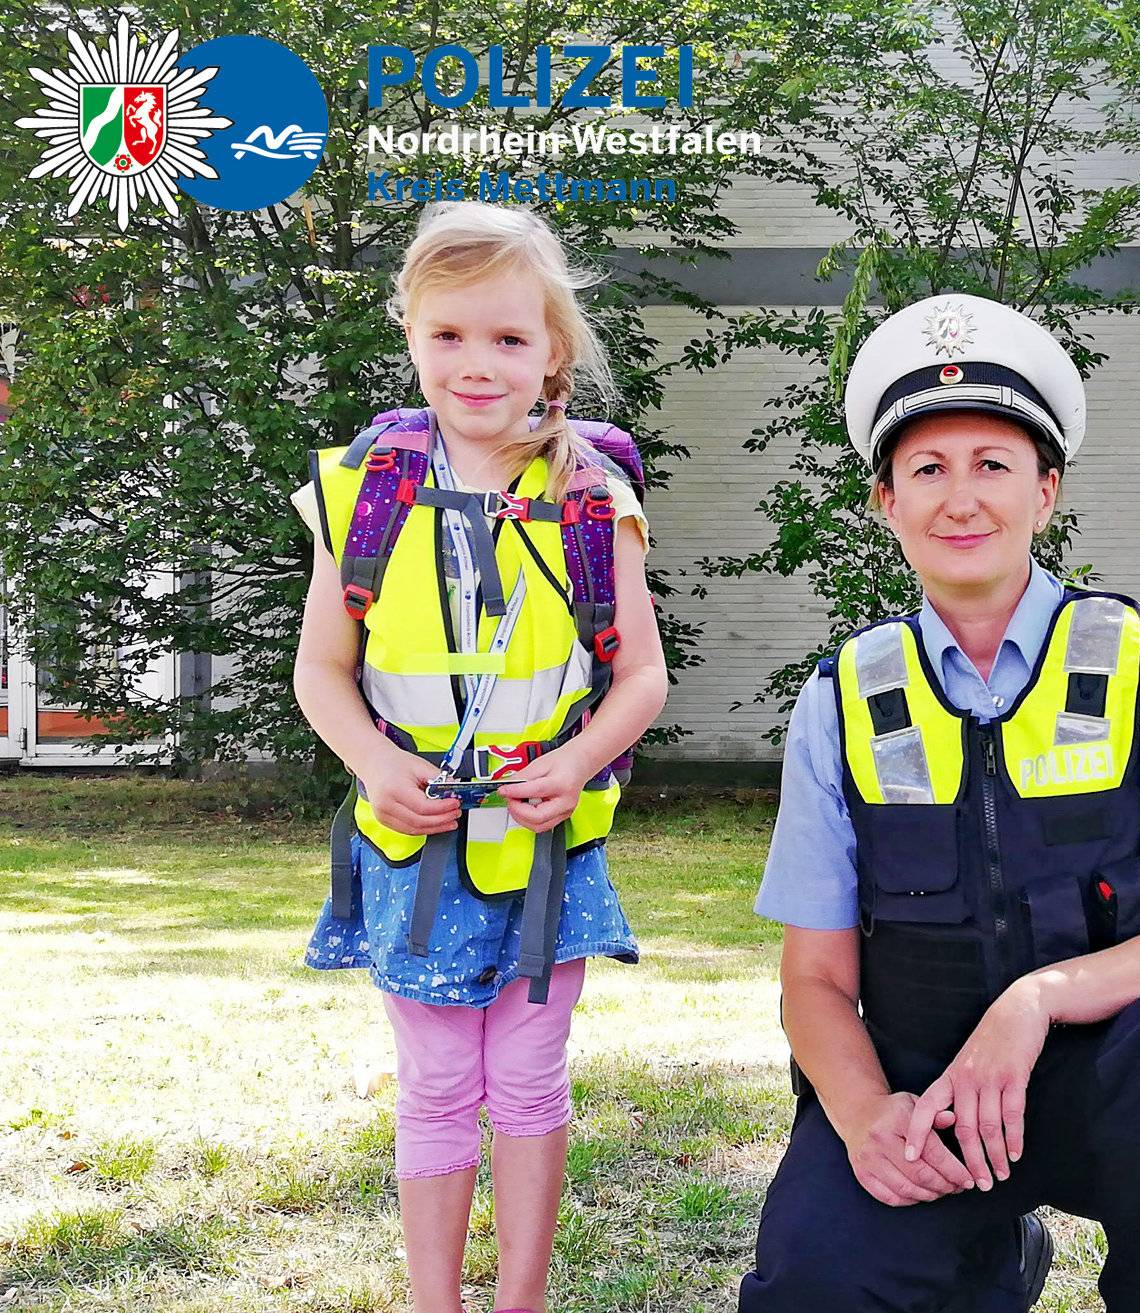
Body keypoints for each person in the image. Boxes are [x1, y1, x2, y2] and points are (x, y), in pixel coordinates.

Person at [739, 293, 1140, 1313]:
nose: (961, 498)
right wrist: (866, 1115)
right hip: (923, 1096)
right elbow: (814, 981)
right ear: (885, 501)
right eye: (926, 469)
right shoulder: (840, 699)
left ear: (1045, 493)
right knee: (807, 1291)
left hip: (1110, 1081)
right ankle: (987, 1261)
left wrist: (1031, 1000)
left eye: (992, 464)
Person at [291, 202, 668, 1313]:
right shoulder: (364, 490)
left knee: (529, 1078)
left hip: (548, 850)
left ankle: (519, 1301)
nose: (476, 363)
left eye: (508, 338)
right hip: (415, 849)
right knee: (439, 1084)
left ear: (553, 348)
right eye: (448, 334)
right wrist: (371, 764)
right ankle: (433, 1302)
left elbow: (640, 676)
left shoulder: (594, 492)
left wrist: (582, 759)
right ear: (409, 331)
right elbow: (322, 670)